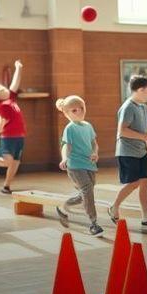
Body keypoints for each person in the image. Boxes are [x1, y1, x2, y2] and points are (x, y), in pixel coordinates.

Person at [109, 75, 147, 227]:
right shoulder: (128, 107)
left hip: (141, 151)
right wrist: (145, 137)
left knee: (144, 182)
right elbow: (122, 131)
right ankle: (114, 207)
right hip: (127, 151)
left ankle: (146, 217)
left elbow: (141, 130)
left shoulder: (144, 107)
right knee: (134, 183)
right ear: (140, 90)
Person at [55, 95, 102, 236]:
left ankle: (63, 208)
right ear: (66, 113)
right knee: (87, 190)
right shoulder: (70, 128)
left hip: (89, 164)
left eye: (82, 108)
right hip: (75, 165)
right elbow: (66, 146)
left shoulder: (88, 126)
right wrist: (64, 159)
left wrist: (95, 153)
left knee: (85, 193)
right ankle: (93, 223)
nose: (80, 112)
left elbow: (94, 143)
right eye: (75, 110)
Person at [0, 60, 25, 194]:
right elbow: (1, 121)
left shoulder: (11, 99)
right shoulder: (2, 105)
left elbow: (15, 84)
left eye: (1, 87)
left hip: (19, 136)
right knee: (8, 162)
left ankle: (6, 186)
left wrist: (18, 68)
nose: (2, 88)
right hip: (8, 137)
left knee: (15, 163)